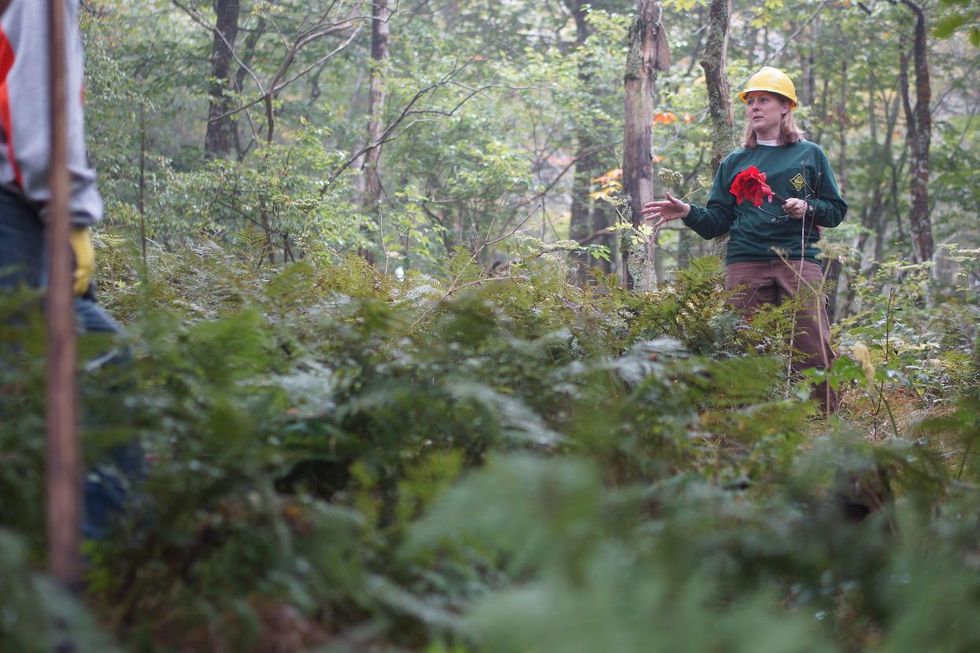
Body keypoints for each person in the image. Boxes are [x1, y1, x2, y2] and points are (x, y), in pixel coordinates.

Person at [0, 0, 139, 538]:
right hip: (18, 213)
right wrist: (70, 216)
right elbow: (41, 113)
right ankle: (105, 566)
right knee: (100, 362)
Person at [641, 66, 847, 414]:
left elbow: (836, 211)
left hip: (798, 260)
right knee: (742, 345)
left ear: (785, 107)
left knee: (812, 345)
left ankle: (821, 422)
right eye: (750, 101)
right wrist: (688, 211)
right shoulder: (735, 161)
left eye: (763, 100)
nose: (754, 107)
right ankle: (744, 422)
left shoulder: (809, 154)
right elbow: (716, 223)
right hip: (745, 262)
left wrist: (808, 206)